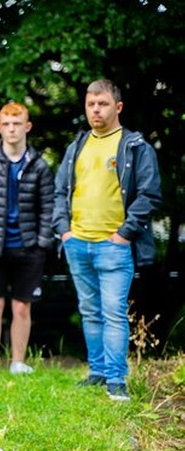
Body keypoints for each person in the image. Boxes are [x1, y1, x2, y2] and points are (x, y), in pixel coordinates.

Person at [53, 78, 162, 401]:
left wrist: (124, 234)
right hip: (77, 242)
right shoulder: (77, 146)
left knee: (113, 311)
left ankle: (117, 380)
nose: (95, 110)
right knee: (89, 311)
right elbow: (60, 191)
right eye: (90, 104)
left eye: (102, 104)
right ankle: (98, 372)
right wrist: (64, 230)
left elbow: (149, 194)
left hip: (114, 245)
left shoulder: (135, 146)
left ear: (118, 107)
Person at [0, 102, 54, 379]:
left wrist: (42, 243)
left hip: (28, 247)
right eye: (6, 124)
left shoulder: (39, 165)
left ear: (27, 127)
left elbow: (48, 206)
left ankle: (18, 361)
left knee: (21, 306)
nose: (12, 129)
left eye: (17, 124)